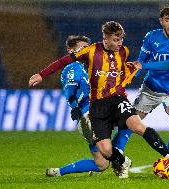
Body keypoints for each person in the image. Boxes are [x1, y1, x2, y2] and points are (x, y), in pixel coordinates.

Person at [29, 21, 169, 179]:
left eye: (121, 39)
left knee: (136, 125)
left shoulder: (123, 51)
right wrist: (41, 75)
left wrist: (129, 73)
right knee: (105, 151)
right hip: (97, 106)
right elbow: (63, 61)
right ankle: (121, 161)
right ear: (105, 39)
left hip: (117, 99)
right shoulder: (90, 51)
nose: (119, 43)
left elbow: (120, 70)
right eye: (116, 40)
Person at [45, 35, 132, 177]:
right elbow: (70, 91)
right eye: (83, 48)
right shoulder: (73, 68)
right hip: (90, 116)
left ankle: (58, 172)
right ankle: (121, 159)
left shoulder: (91, 67)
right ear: (71, 51)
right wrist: (75, 107)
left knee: (101, 164)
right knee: (128, 120)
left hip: (100, 112)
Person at [128, 5, 169, 157]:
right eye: (167, 20)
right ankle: (114, 156)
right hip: (151, 89)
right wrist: (127, 79)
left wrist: (144, 65)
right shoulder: (151, 37)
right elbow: (140, 62)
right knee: (128, 125)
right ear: (161, 21)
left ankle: (168, 161)